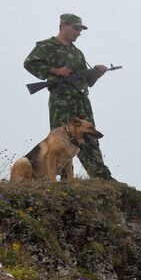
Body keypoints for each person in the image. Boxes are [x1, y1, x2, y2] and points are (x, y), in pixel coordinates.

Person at [23, 13, 114, 180]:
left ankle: (101, 175)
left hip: (81, 100)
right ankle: (65, 178)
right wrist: (55, 70)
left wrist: (96, 73)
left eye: (80, 29)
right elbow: (30, 63)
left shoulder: (77, 53)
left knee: (89, 135)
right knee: (62, 138)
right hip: (61, 100)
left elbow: (87, 81)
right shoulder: (47, 46)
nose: (79, 32)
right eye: (75, 28)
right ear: (63, 25)